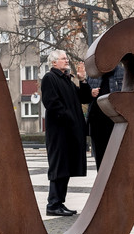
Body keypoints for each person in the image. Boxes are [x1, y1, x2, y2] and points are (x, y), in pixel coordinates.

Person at [41, 49, 96, 217]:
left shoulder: (67, 80)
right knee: (58, 167)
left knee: (65, 168)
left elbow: (84, 98)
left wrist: (83, 80)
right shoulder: (50, 79)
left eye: (66, 58)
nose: (67, 61)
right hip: (59, 133)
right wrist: (70, 118)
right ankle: (53, 204)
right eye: (63, 59)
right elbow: (52, 103)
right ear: (54, 62)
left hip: (69, 132)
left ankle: (59, 203)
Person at [87, 64, 124, 169]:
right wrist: (89, 91)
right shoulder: (93, 73)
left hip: (114, 121)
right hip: (96, 121)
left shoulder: (121, 72)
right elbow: (86, 97)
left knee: (116, 157)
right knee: (100, 156)